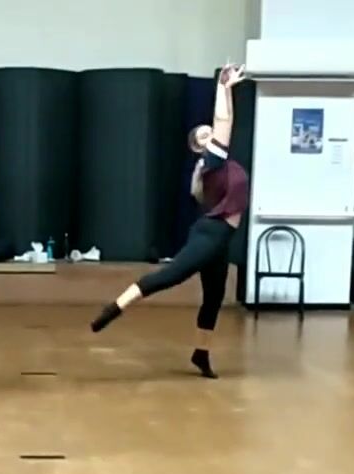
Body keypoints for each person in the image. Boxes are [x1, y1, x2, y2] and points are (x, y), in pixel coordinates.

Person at [90, 63, 248, 379]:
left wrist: (226, 91)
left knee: (213, 300)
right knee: (171, 275)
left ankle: (201, 354)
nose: (211, 134)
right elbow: (224, 120)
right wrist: (224, 87)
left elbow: (223, 121)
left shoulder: (218, 165)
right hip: (210, 235)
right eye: (204, 135)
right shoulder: (212, 162)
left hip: (221, 241)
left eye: (210, 132)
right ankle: (114, 308)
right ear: (198, 147)